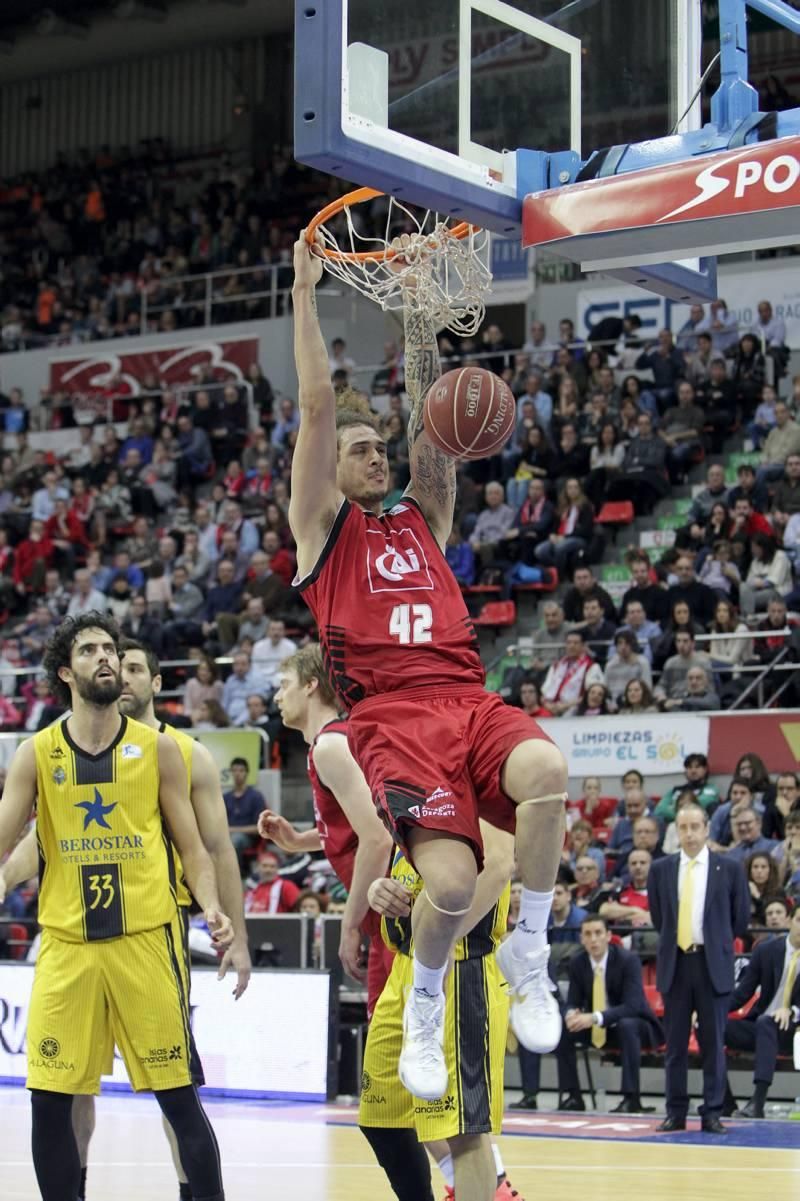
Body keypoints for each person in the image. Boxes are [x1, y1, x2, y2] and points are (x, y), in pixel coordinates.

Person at [290, 230, 566, 1102]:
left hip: (466, 698)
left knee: (549, 770)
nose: (377, 454)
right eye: (361, 448)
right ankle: (423, 998)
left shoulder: (423, 518)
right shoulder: (321, 535)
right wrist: (304, 292)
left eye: (382, 447)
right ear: (331, 473)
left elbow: (435, 429)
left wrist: (417, 316)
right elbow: (314, 409)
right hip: (393, 719)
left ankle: (531, 943)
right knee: (446, 882)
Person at [0, 613, 232, 1201]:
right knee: (50, 1099)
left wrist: (211, 906)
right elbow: (6, 842)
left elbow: (194, 850)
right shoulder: (35, 754)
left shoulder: (158, 750)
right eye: (90, 651)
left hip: (145, 941)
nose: (105, 658)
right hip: (66, 945)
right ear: (64, 672)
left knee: (179, 1096)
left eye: (110, 648)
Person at [359, 829, 518, 1201]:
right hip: (404, 968)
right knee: (381, 1118)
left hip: (461, 967)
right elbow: (412, 869)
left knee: (463, 1131)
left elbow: (497, 867)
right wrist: (378, 890)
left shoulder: (476, 781)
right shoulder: (409, 791)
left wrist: (441, 941)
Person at [258, 643, 394, 1016]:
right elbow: (361, 826)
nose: (277, 695)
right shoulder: (330, 742)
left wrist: (348, 926)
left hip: (389, 914)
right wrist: (299, 841)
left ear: (310, 686)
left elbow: (379, 839)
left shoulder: (331, 746)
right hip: (383, 912)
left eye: (285, 684)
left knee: (391, 1042)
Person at [649, 802, 750, 1134]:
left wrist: (716, 943)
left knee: (712, 1044)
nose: (689, 833)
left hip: (712, 965)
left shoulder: (730, 868)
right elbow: (659, 918)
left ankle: (712, 1113)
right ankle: (675, 1112)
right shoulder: (661, 869)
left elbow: (739, 920)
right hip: (676, 964)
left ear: (707, 829)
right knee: (675, 1046)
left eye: (695, 826)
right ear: (676, 832)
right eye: (683, 827)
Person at [558, 916, 663, 1113]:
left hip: (637, 1027)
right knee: (564, 1029)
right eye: (588, 934)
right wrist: (571, 1014)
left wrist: (594, 1017)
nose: (593, 939)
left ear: (608, 936)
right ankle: (573, 1096)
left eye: (598, 933)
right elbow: (572, 1001)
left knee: (627, 1025)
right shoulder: (577, 963)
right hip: (599, 1029)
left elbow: (633, 1006)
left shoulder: (628, 960)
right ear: (581, 939)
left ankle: (631, 1099)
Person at [724, 904, 800, 1118]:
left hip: (794, 1033)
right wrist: (710, 1012)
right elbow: (743, 993)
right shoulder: (767, 951)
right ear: (789, 922)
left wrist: (792, 1011)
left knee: (767, 1022)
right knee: (711, 1027)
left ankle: (757, 1102)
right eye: (799, 921)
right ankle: (724, 1101)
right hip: (760, 1026)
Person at [223, 757, 264, 872]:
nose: (237, 774)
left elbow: (258, 828)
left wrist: (232, 830)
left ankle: (234, 875)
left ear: (246, 773)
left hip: (248, 838)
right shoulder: (225, 798)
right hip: (227, 835)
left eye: (241, 770)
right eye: (234, 770)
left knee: (235, 840)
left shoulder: (256, 797)